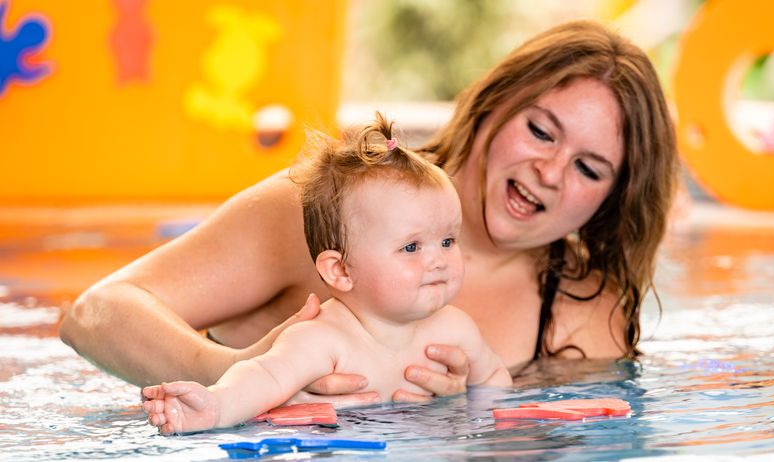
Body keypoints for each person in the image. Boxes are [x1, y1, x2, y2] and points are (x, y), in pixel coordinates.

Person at [59, 20, 678, 404]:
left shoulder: (583, 313)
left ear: (610, 200)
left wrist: (471, 412)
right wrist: (246, 376)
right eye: (542, 131)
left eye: (589, 168)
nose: (551, 170)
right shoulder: (325, 209)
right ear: (494, 104)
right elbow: (95, 315)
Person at [141, 116, 512, 435]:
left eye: (448, 240)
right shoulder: (324, 338)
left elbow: (495, 382)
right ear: (341, 270)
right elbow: (261, 377)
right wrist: (216, 407)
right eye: (412, 247)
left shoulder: (455, 330)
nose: (439, 260)